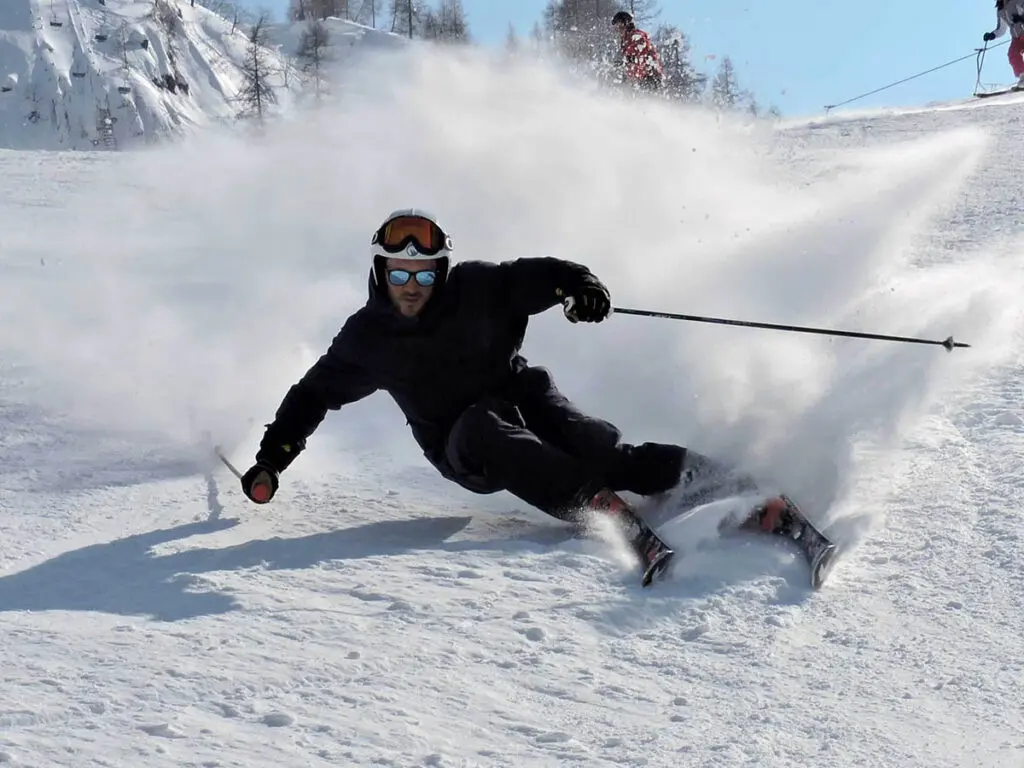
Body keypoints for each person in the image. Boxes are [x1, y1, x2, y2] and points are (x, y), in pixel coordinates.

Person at [239, 209, 733, 583]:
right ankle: (592, 502)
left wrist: (579, 288)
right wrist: (271, 461)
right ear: (380, 271)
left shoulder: (477, 287)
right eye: (399, 274)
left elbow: (538, 275)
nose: (412, 287)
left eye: (425, 273)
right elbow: (312, 396)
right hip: (461, 444)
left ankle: (719, 479)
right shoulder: (368, 338)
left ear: (442, 269)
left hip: (521, 398)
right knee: (484, 427)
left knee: (598, 449)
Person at [611, 10, 663, 93]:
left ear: (626, 24)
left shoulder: (637, 36)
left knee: (644, 101)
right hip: (638, 79)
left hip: (650, 77)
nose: (617, 30)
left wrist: (627, 59)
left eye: (619, 25)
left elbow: (640, 53)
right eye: (616, 27)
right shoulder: (625, 41)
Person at [983, 0, 1024, 86]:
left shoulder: (1018, 1)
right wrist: (992, 35)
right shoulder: (1001, 10)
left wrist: (1021, 18)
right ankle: (1023, 77)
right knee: (1013, 54)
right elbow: (1001, 29)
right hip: (1016, 37)